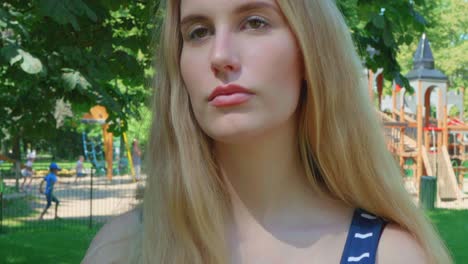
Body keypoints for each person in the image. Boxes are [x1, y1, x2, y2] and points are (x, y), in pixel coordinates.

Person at [83, 0, 452, 263]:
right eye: (198, 32)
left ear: (311, 51)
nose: (219, 55)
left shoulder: (390, 256)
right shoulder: (123, 247)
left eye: (255, 22)